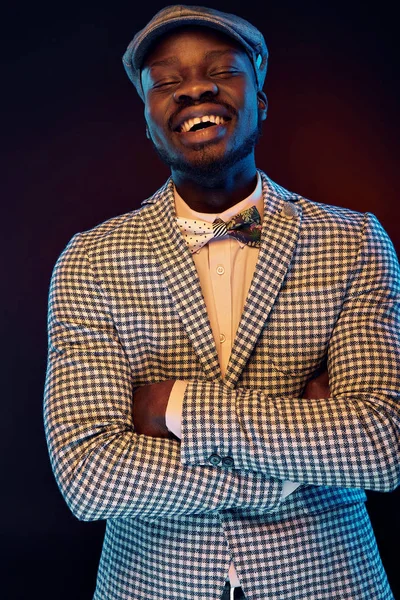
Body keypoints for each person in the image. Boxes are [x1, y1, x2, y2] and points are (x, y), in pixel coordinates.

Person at [44, 5, 400, 600]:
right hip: (150, 584)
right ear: (149, 122)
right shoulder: (90, 260)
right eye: (165, 82)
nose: (195, 88)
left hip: (331, 581)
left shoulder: (354, 241)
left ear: (261, 99)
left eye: (221, 71)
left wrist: (175, 407)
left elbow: (382, 444)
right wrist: (292, 469)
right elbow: (88, 477)